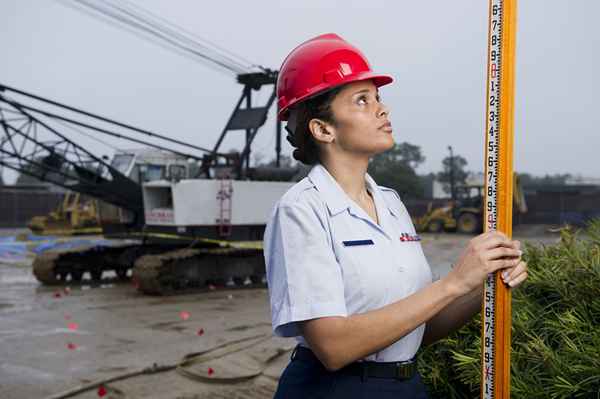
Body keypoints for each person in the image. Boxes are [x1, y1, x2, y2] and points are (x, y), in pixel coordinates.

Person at [263, 33, 528, 399]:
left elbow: (420, 327)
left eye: (378, 98)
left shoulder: (391, 203)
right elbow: (333, 347)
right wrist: (452, 282)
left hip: (405, 385)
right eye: (362, 100)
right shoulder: (302, 210)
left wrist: (482, 282)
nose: (382, 109)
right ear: (323, 129)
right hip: (333, 390)